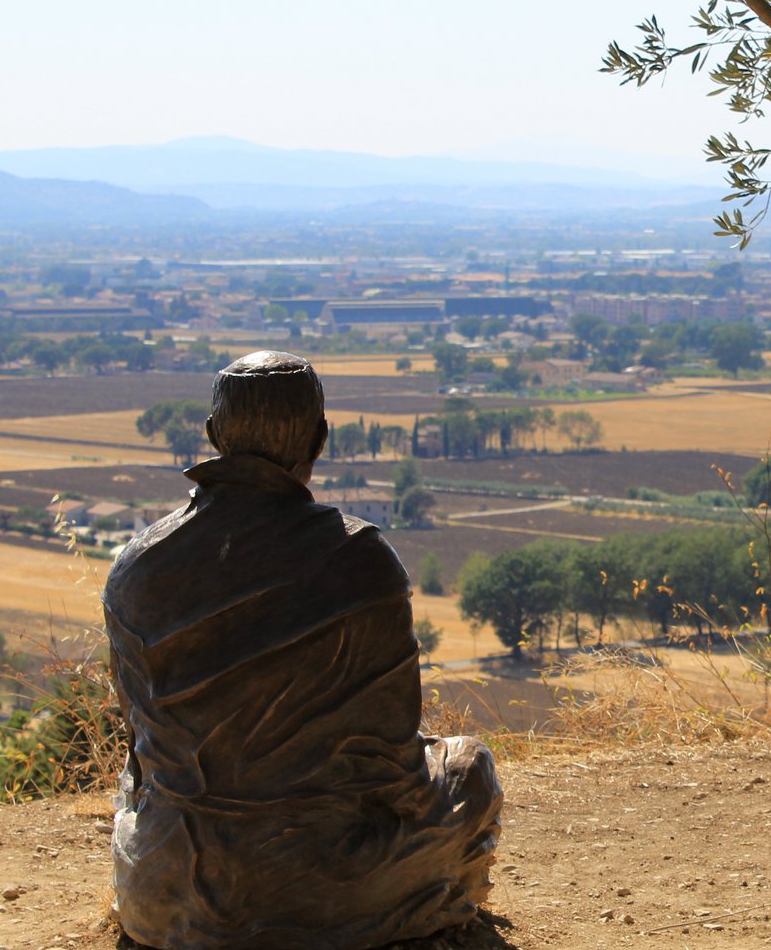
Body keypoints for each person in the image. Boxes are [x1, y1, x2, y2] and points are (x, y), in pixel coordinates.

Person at [103, 351, 500, 949]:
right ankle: (427, 907)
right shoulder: (358, 560)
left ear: (214, 437)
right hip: (318, 886)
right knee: (469, 768)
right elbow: (392, 763)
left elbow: (142, 747)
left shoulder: (136, 565)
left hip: (162, 890)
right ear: (319, 437)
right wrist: (429, 825)